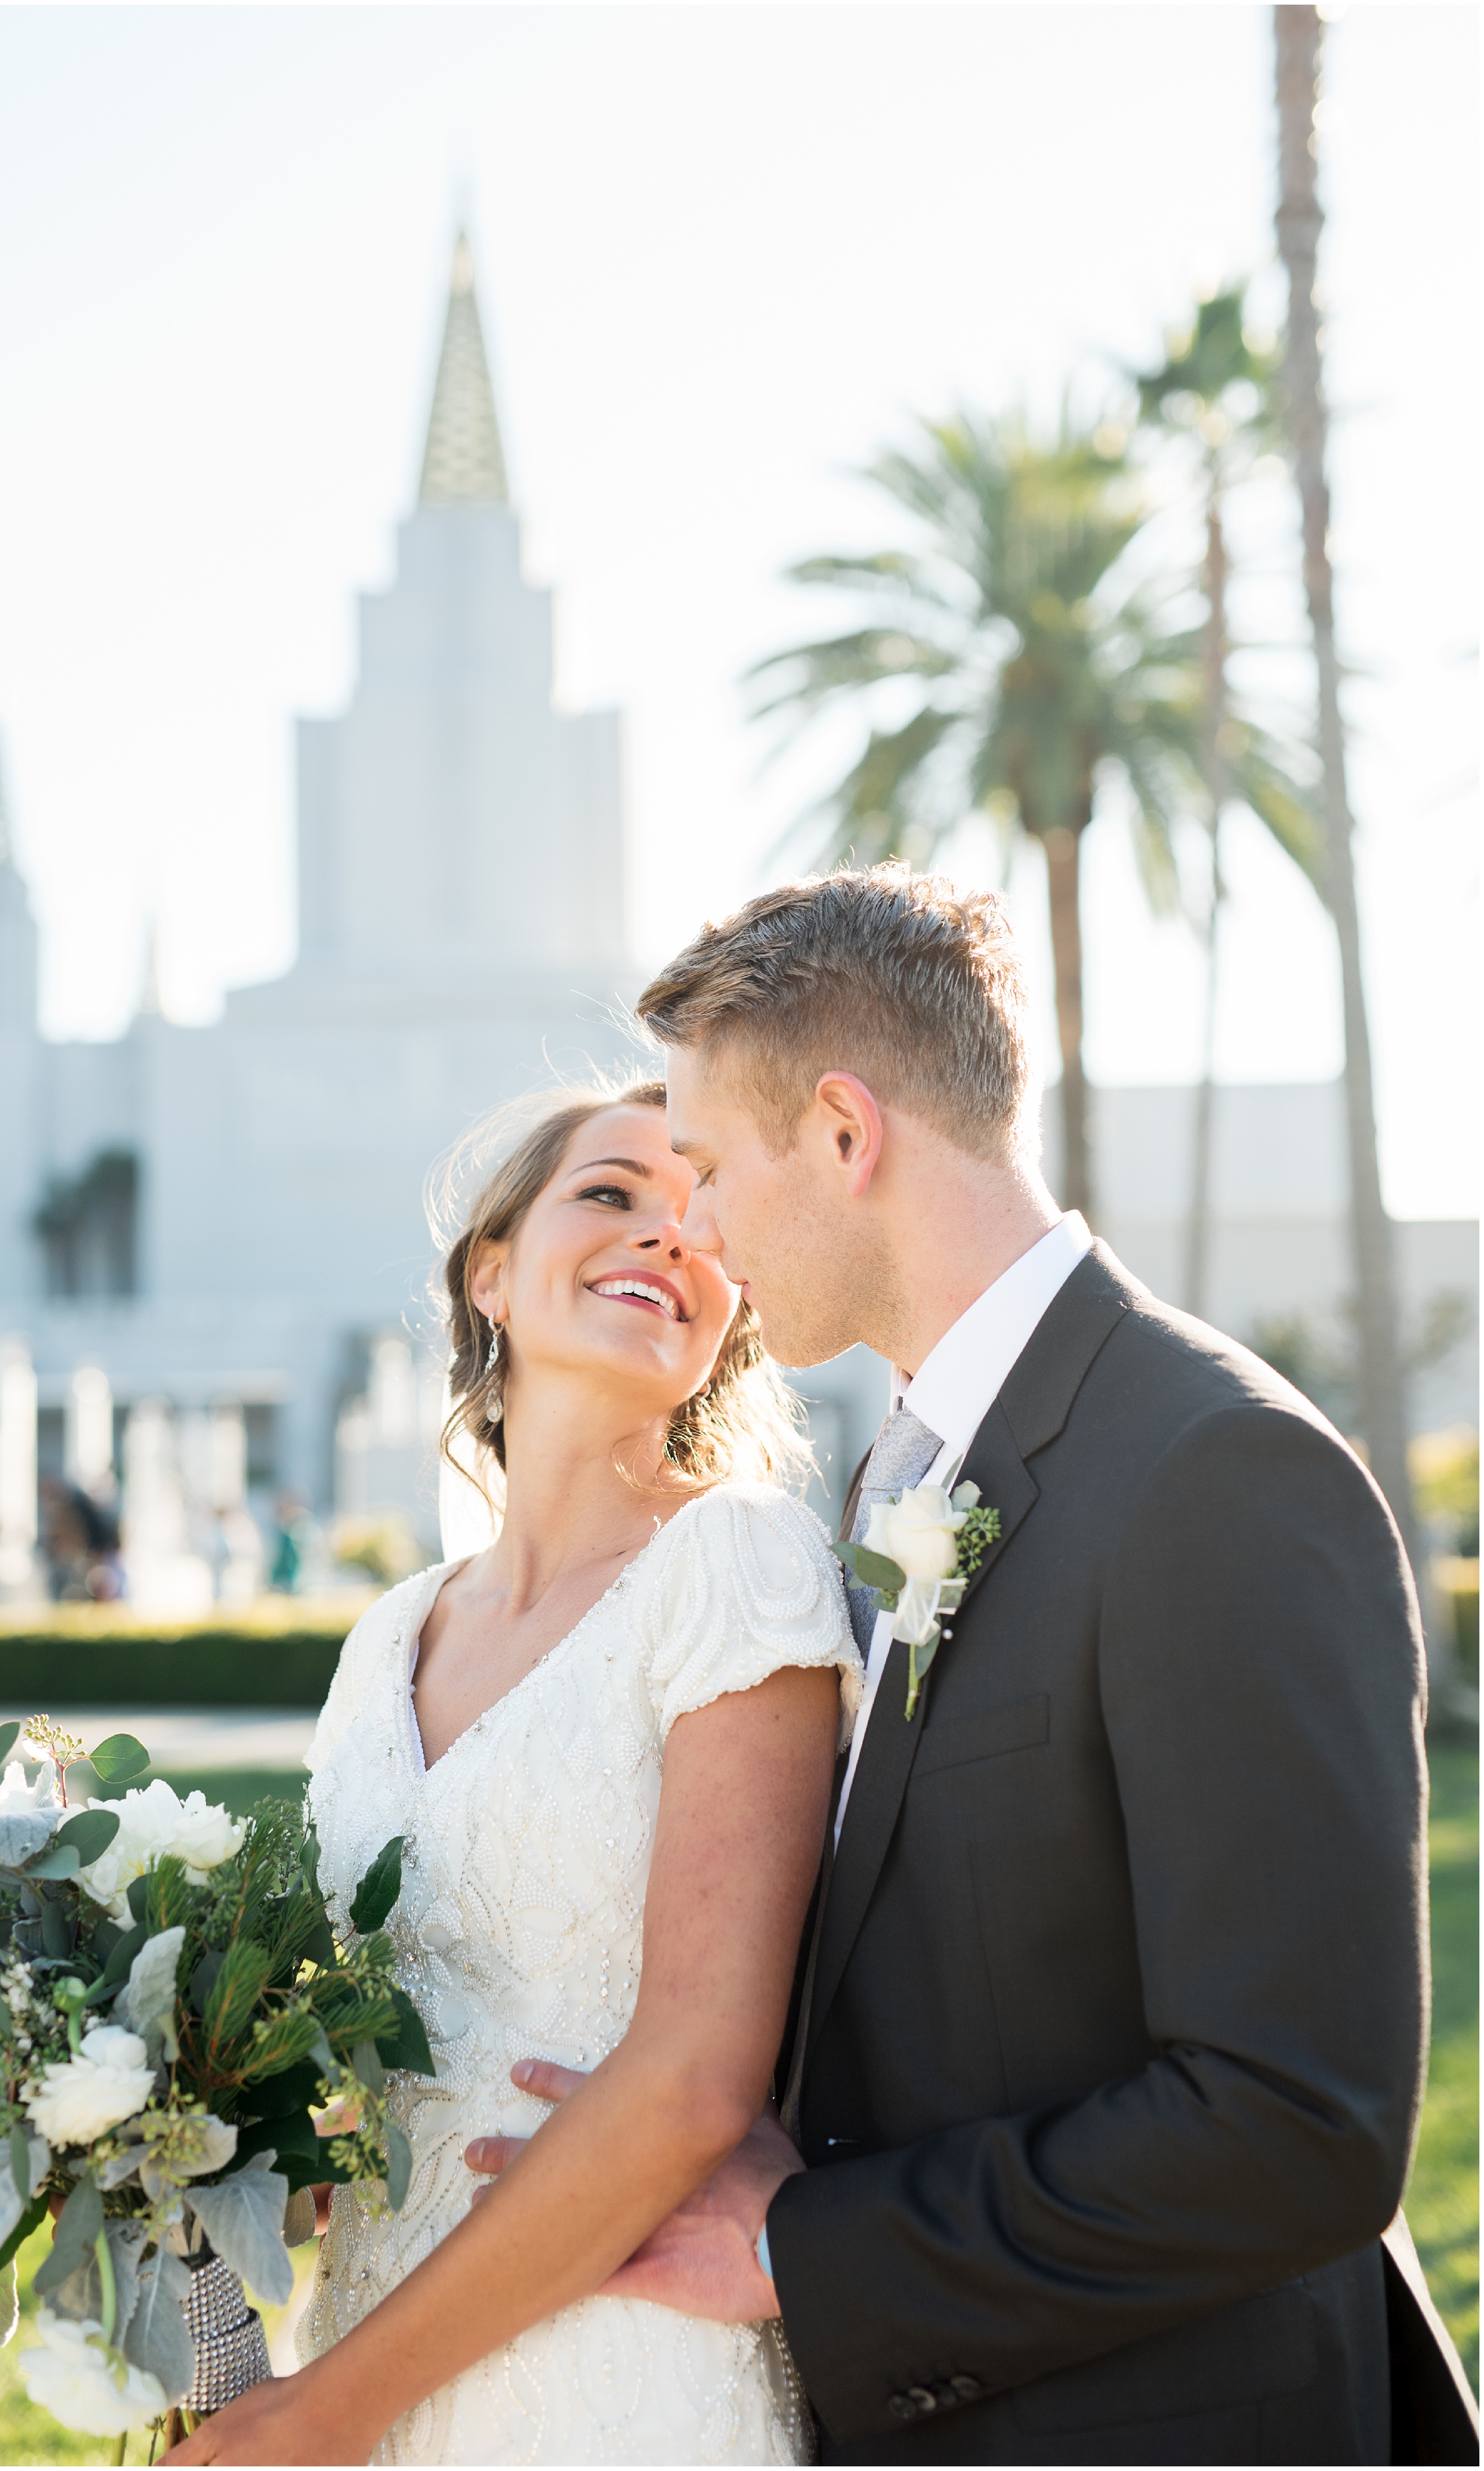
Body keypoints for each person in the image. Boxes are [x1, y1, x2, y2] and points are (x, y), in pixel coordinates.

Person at [471, 867, 1475, 2464]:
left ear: (848, 1135)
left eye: (717, 1167)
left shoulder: (1215, 1473)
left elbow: (1298, 2125)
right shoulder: (898, 1479)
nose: (702, 1227)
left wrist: (810, 2248)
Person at [166, 1081, 858, 2465]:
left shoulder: (735, 1563)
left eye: (699, 1220)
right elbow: (352, 2045)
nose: (664, 1238)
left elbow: (692, 2081)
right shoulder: (384, 1637)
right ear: (489, 1268)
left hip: (618, 2362)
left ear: (734, 1315)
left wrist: (320, 2417)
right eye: (608, 1195)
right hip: (360, 2341)